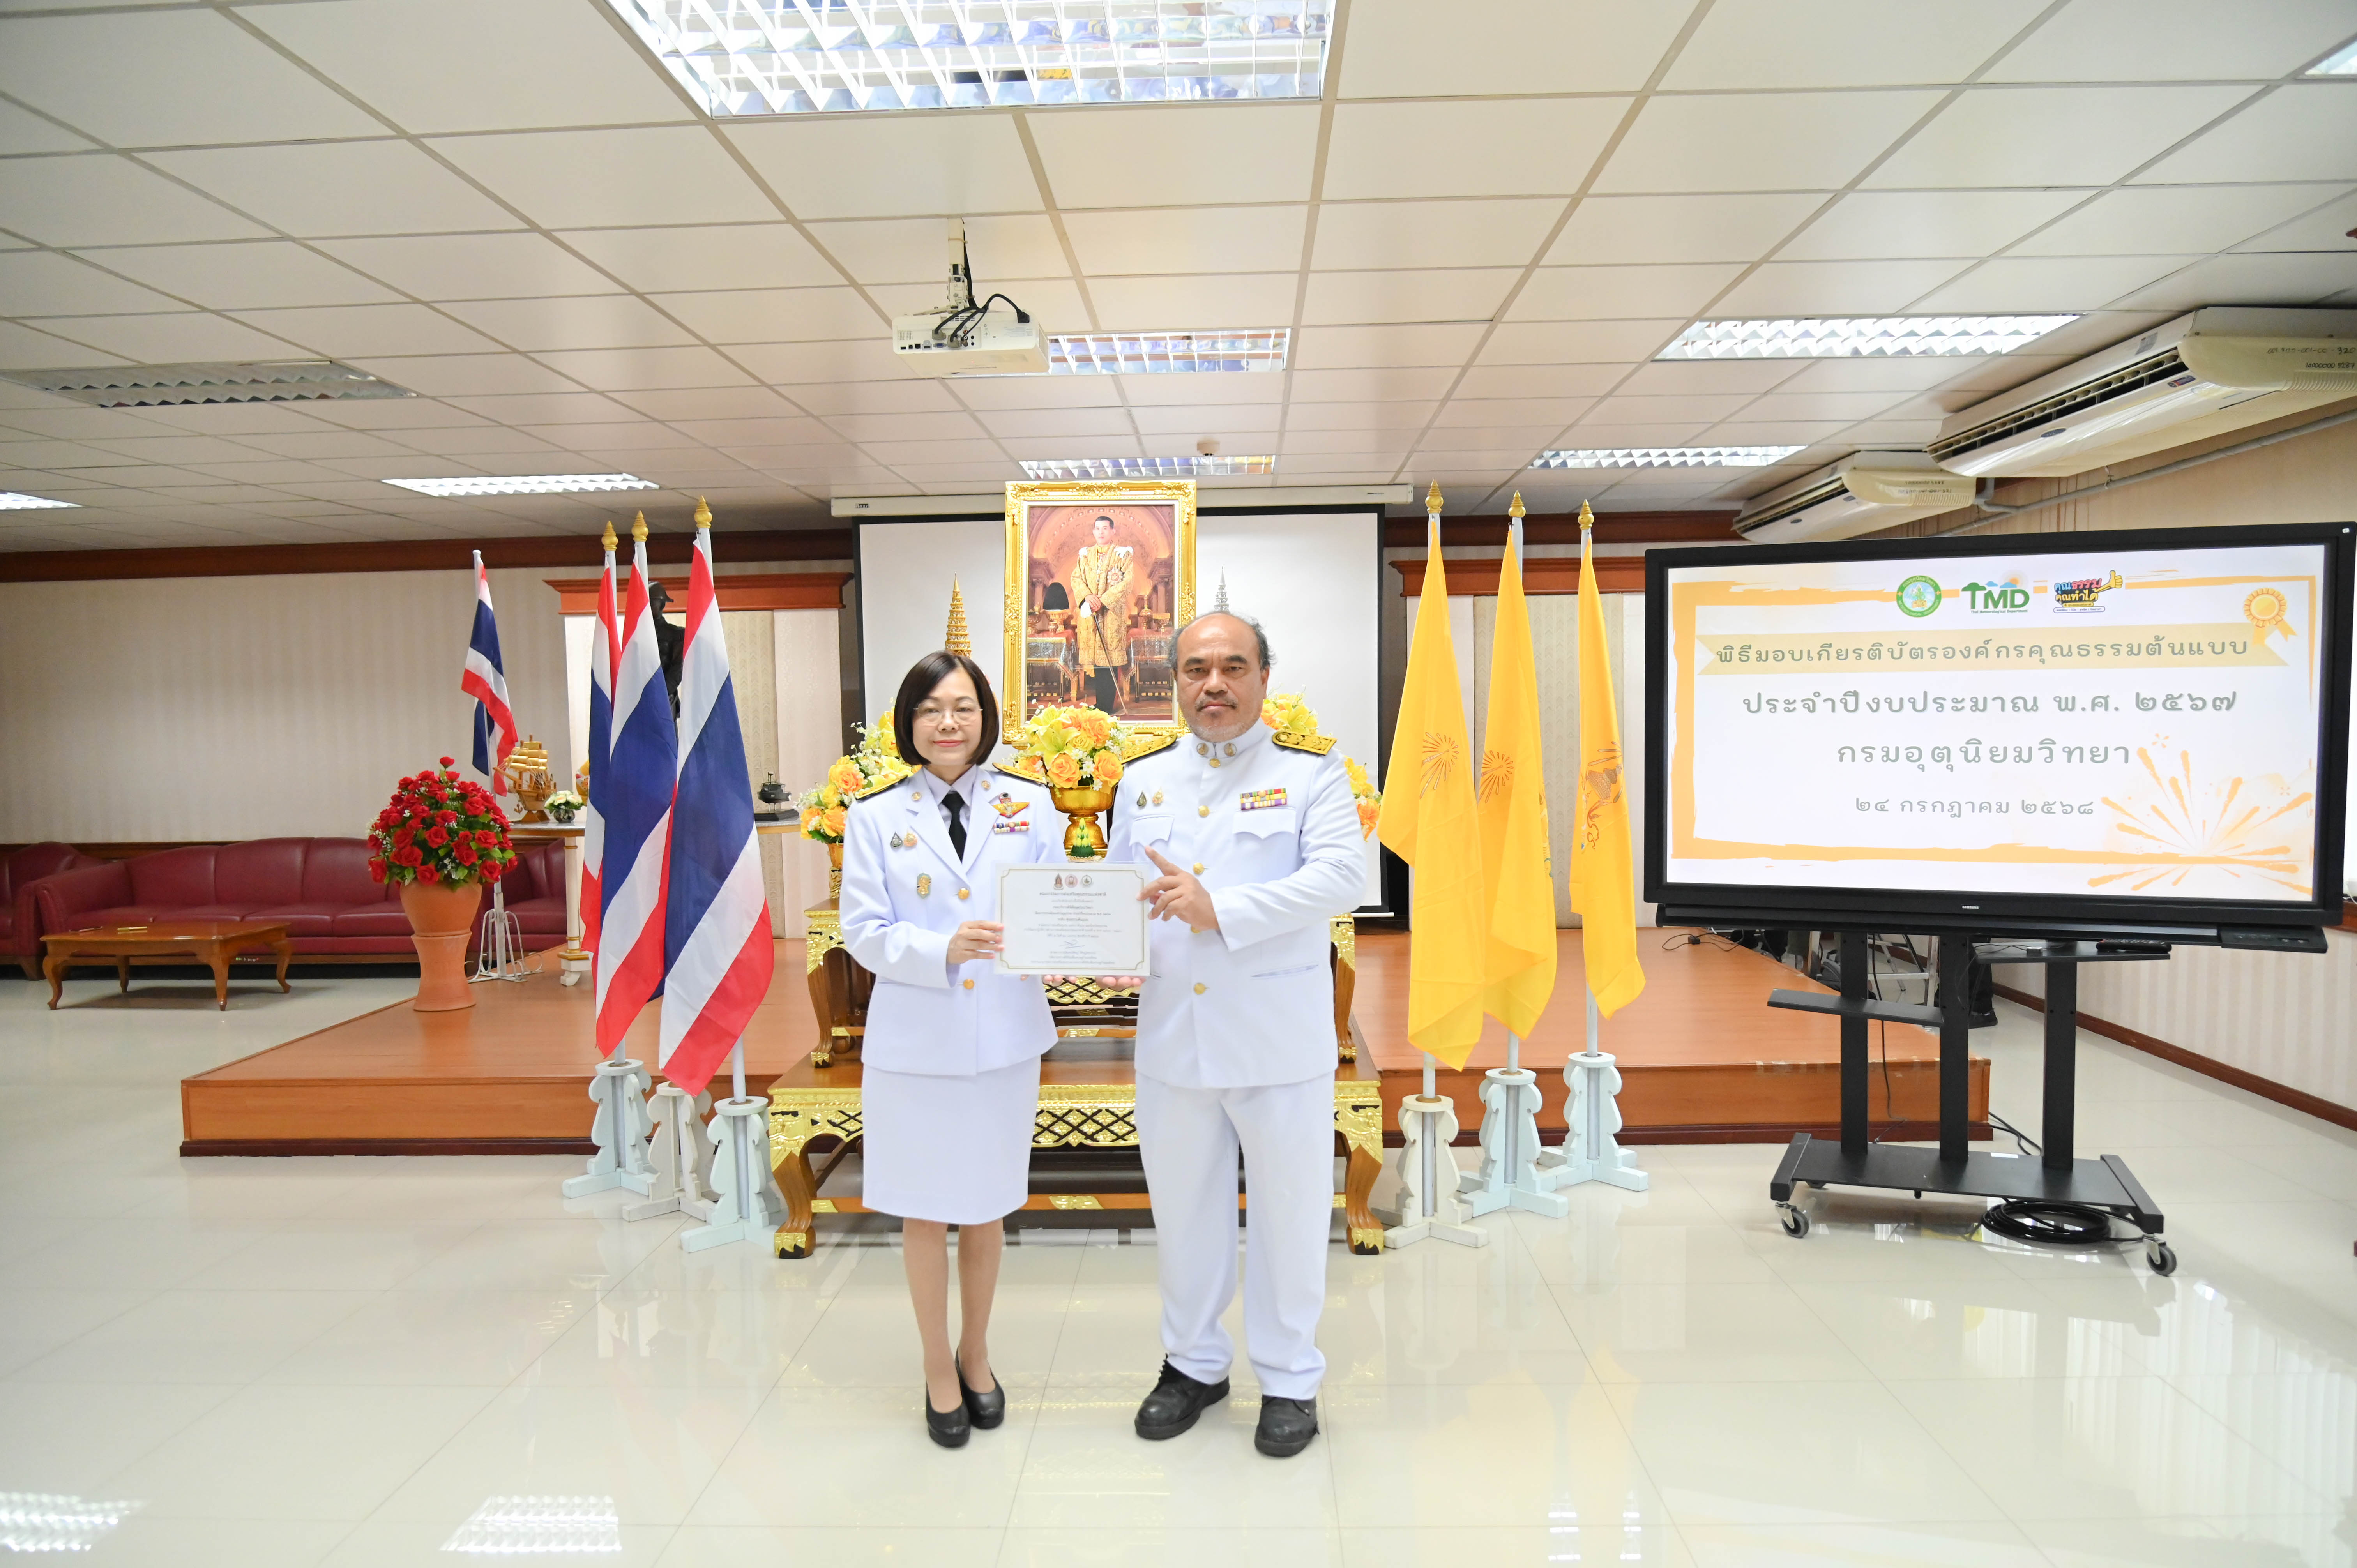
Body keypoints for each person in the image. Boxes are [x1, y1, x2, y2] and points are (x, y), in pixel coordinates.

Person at [1097, 611, 1364, 1458]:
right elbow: (1119, 890)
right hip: (1174, 1035)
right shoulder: (1142, 780)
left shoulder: (1311, 773)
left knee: (1288, 1212)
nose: (1213, 683)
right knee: (1183, 1212)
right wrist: (1109, 948)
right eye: (1195, 668)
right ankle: (1193, 1363)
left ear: (1262, 677)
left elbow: (1343, 877)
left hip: (1275, 1039)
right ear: (1174, 680)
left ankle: (1289, 1377)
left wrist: (1225, 909)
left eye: (1233, 666)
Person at [837, 650, 1058, 1449]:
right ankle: (937, 1362)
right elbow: (862, 931)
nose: (948, 723)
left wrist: (1081, 943)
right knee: (926, 1209)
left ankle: (976, 1350)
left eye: (963, 707)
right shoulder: (874, 815)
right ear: (910, 722)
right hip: (915, 1043)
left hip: (1004, 1036)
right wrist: (941, 948)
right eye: (930, 709)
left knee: (989, 1205)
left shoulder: (1031, 805)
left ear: (985, 716)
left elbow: (1056, 904)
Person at [1071, 515, 1132, 713]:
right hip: (1092, 615)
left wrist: (1103, 600)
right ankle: (1101, 704)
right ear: (1093, 531)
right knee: (1098, 664)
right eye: (1098, 529)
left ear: (1113, 531)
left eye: (1105, 528)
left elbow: (1127, 583)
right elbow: (1076, 578)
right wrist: (1088, 597)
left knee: (1109, 662)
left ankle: (1107, 706)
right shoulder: (1085, 555)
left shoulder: (1123, 555)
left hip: (1111, 616)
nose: (1101, 532)